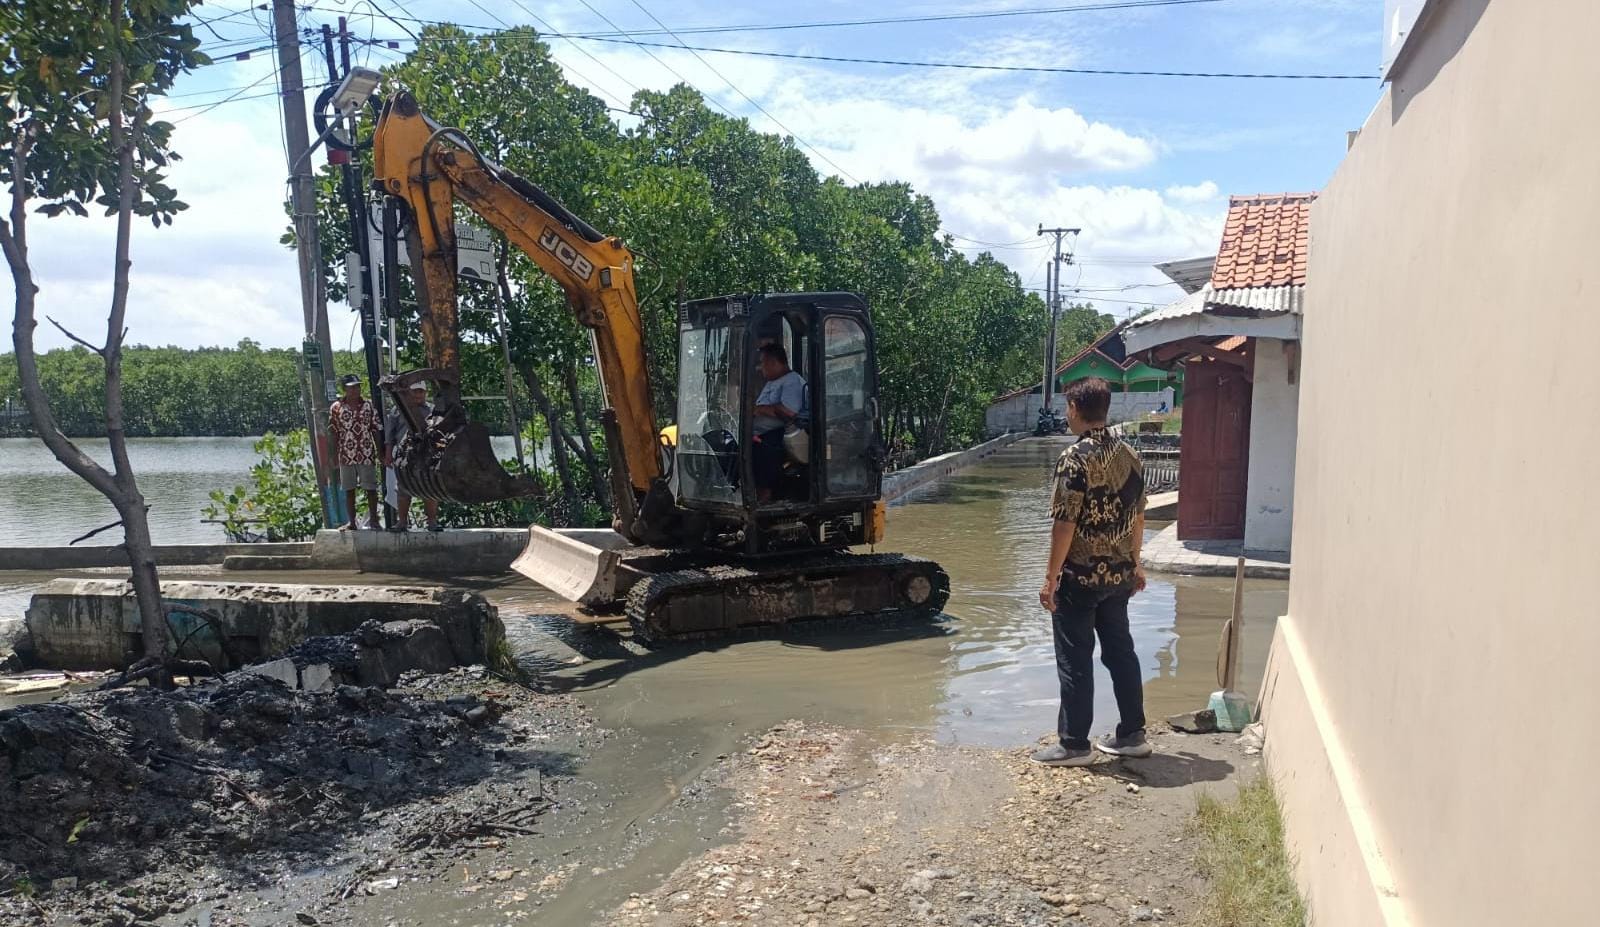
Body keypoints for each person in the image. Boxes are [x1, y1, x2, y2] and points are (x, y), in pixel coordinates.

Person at [1032, 376, 1151, 767]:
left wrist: (1050, 578)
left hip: (1080, 579)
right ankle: (1132, 734)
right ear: (1106, 408)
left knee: (1075, 658)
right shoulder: (1129, 455)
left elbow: (1064, 524)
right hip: (1119, 577)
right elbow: (1138, 517)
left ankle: (1074, 743)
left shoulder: (1074, 458)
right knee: (1122, 653)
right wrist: (1136, 563)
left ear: (1073, 409)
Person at [751, 343, 807, 502]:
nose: (760, 368)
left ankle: (764, 496)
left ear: (774, 363)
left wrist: (759, 410)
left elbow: (790, 412)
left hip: (782, 434)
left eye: (762, 363)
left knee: (761, 450)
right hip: (761, 432)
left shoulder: (792, 381)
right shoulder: (772, 382)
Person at [384, 383, 441, 533]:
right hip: (404, 456)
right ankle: (402, 522)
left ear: (425, 393)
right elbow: (390, 435)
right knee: (403, 489)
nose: (418, 395)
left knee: (430, 488)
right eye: (415, 392)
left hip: (427, 455)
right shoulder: (398, 409)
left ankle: (432, 522)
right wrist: (388, 453)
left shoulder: (433, 410)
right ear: (409, 392)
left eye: (421, 392)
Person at [328, 374, 382, 531]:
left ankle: (374, 520)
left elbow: (376, 429)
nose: (355, 390)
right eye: (351, 387)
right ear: (344, 389)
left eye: (357, 386)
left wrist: (380, 451)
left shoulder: (368, 406)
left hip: (366, 452)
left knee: (371, 488)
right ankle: (352, 522)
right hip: (346, 454)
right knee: (349, 489)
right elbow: (333, 432)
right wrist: (332, 456)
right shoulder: (336, 407)